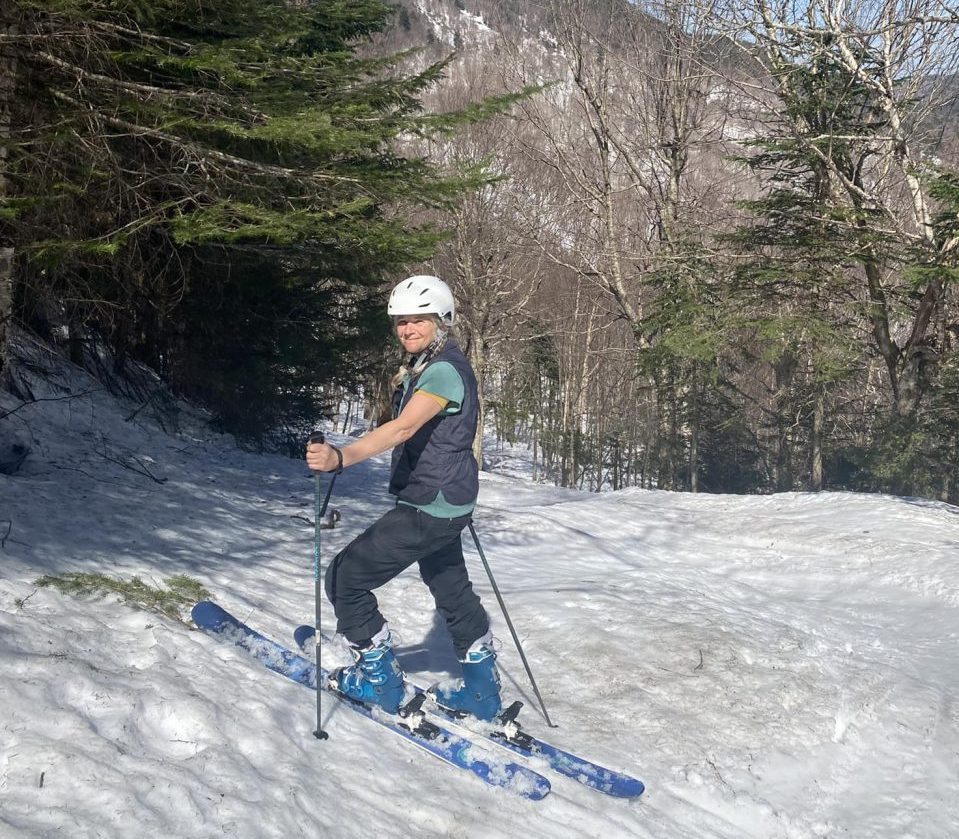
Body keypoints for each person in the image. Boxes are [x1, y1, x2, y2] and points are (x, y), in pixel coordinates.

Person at [305, 275, 502, 721]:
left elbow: (403, 428)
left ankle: (382, 684)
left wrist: (341, 457)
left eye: (418, 320)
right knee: (451, 588)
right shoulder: (429, 365)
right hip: (448, 501)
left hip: (430, 506)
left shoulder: (444, 371)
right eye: (400, 322)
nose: (408, 329)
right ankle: (482, 693)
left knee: (345, 578)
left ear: (441, 321)